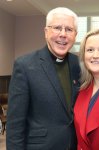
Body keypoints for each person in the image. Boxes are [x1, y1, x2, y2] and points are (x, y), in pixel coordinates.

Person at [6, 7, 80, 150]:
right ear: (46, 32)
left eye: (69, 29)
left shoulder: (80, 65)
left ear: (75, 35)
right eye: (57, 28)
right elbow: (15, 124)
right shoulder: (25, 65)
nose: (63, 34)